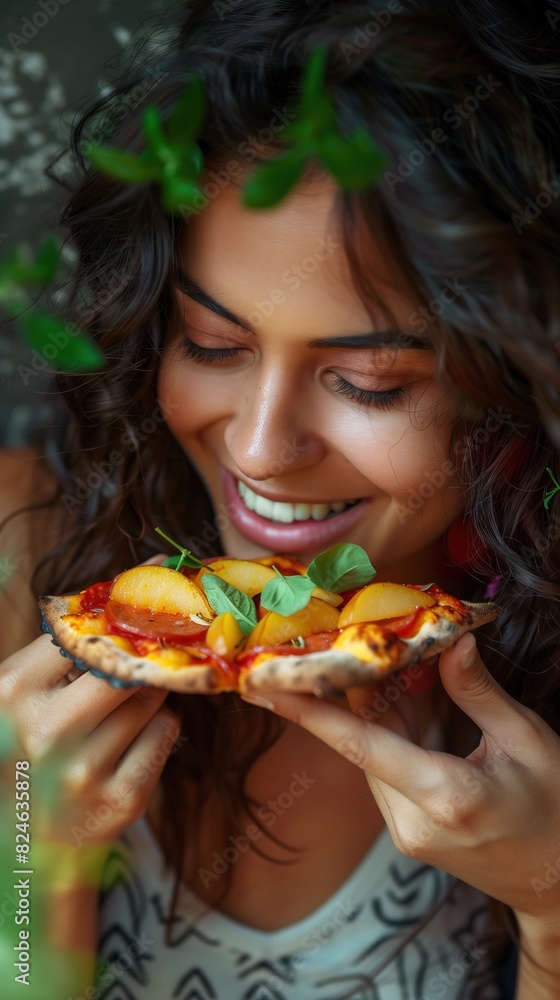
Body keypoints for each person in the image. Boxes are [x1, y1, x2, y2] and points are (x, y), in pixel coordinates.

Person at [1, 0, 560, 997]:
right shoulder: (14, 556)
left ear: (519, 386)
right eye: (211, 347)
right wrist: (25, 863)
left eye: (369, 382)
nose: (258, 450)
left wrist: (553, 916)